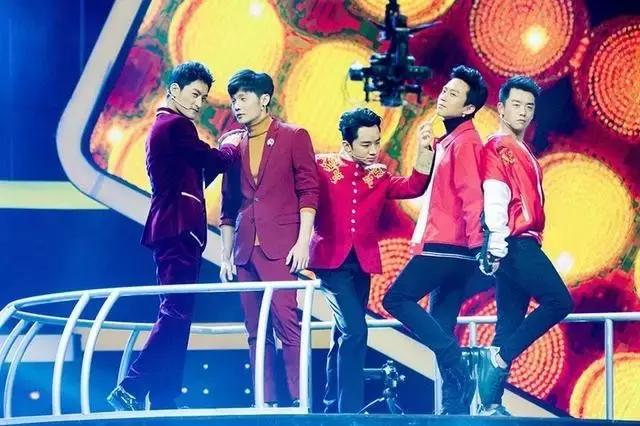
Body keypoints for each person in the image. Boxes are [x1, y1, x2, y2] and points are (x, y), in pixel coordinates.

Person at [107, 61, 240, 411]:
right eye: (195, 94)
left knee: (178, 317)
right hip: (177, 230)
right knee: (175, 314)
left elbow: (200, 173)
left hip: (179, 231)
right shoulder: (176, 125)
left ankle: (165, 397)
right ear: (174, 90)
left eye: (204, 98)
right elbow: (212, 160)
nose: (199, 103)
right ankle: (131, 387)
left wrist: (219, 157)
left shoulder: (168, 129)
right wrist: (232, 144)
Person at [310, 107, 434, 413]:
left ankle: (331, 409)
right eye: (365, 144)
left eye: (376, 143)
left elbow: (414, 187)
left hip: (362, 265)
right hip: (330, 263)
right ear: (347, 144)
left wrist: (424, 151)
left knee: (343, 335)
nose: (373, 150)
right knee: (356, 331)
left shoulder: (379, 175)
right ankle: (350, 412)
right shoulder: (322, 166)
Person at [383, 65, 490, 415]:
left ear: (469, 107)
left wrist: (479, 246)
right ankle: (454, 405)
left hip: (450, 247)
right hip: (448, 245)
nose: (444, 95)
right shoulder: (451, 140)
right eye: (445, 89)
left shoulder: (467, 142)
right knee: (441, 326)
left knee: (396, 299)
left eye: (454, 93)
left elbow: (472, 195)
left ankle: (457, 363)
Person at [219, 69, 319, 406]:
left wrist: (303, 243)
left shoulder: (293, 136)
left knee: (287, 324)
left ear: (264, 99)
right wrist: (226, 255)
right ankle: (264, 401)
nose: (236, 105)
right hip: (245, 250)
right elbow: (228, 204)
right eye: (233, 100)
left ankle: (299, 400)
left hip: (281, 247)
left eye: (243, 98)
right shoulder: (232, 143)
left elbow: (309, 191)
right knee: (255, 331)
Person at [476, 75, 573, 416]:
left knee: (508, 323)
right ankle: (499, 358)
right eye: (516, 104)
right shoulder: (499, 147)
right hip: (514, 242)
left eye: (529, 106)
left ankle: (490, 404)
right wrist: (496, 242)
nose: (522, 112)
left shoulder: (522, 151)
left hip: (517, 242)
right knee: (559, 301)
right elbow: (495, 193)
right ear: (501, 108)